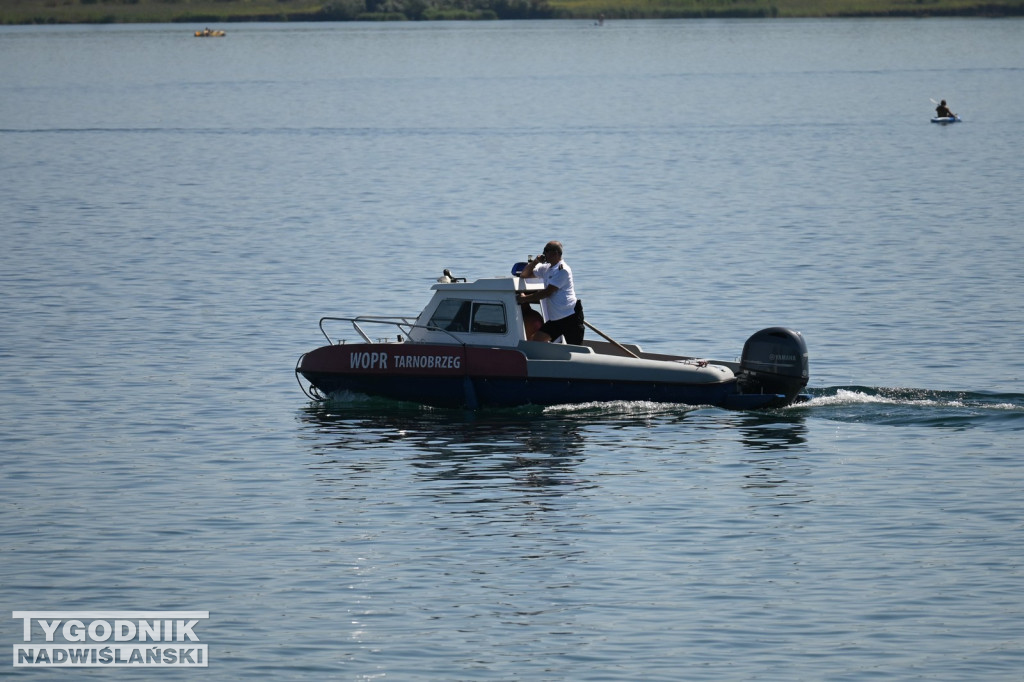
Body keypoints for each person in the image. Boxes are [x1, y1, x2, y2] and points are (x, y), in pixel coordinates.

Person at [516, 241, 585, 345]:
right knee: (535, 340)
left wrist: (524, 299)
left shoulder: (563, 270)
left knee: (575, 349)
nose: (543, 254)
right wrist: (535, 261)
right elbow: (524, 275)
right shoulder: (546, 268)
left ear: (555, 253)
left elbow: (547, 292)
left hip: (570, 317)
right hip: (556, 319)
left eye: (546, 251)